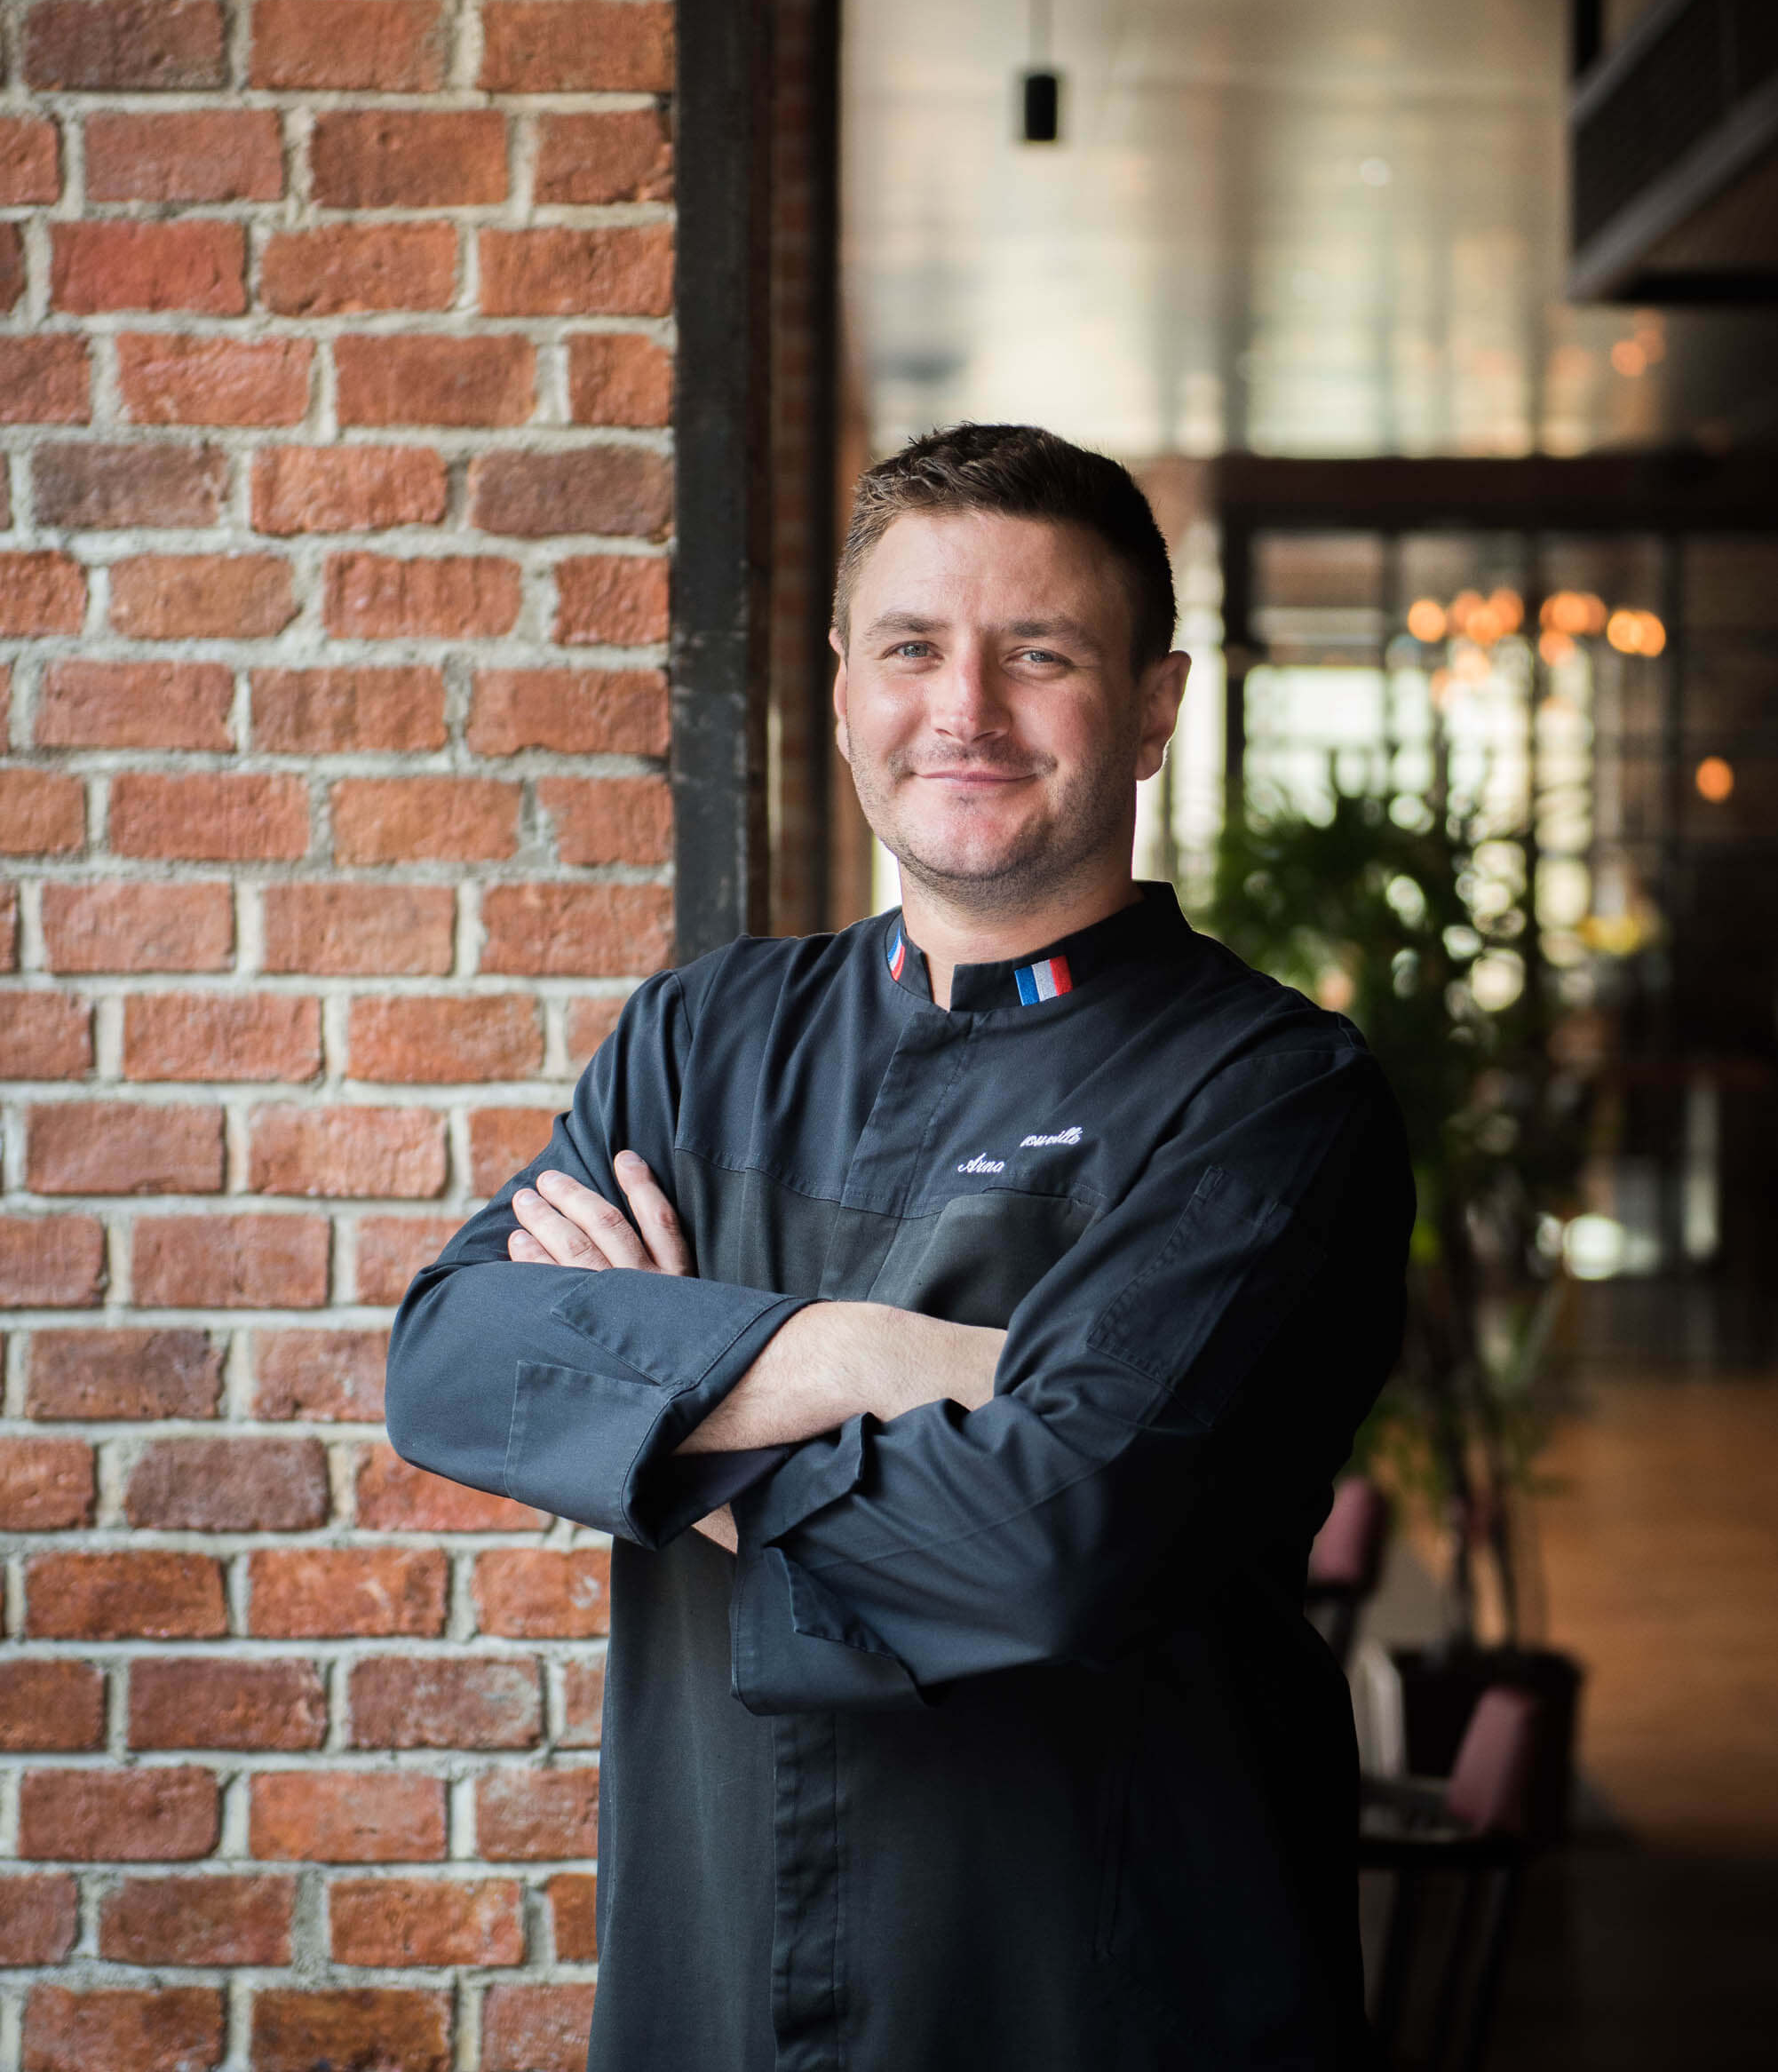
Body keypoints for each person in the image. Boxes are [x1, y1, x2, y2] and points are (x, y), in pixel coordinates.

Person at [385, 421, 1413, 2072]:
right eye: (912, 648)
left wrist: (644, 1414)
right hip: (714, 1980)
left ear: (1154, 707)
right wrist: (858, 1358)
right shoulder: (702, 1035)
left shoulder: (1269, 1096)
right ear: (844, 687)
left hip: (1099, 1996)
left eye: (1040, 654)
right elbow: (449, 1366)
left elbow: (1045, 1549)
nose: (965, 710)